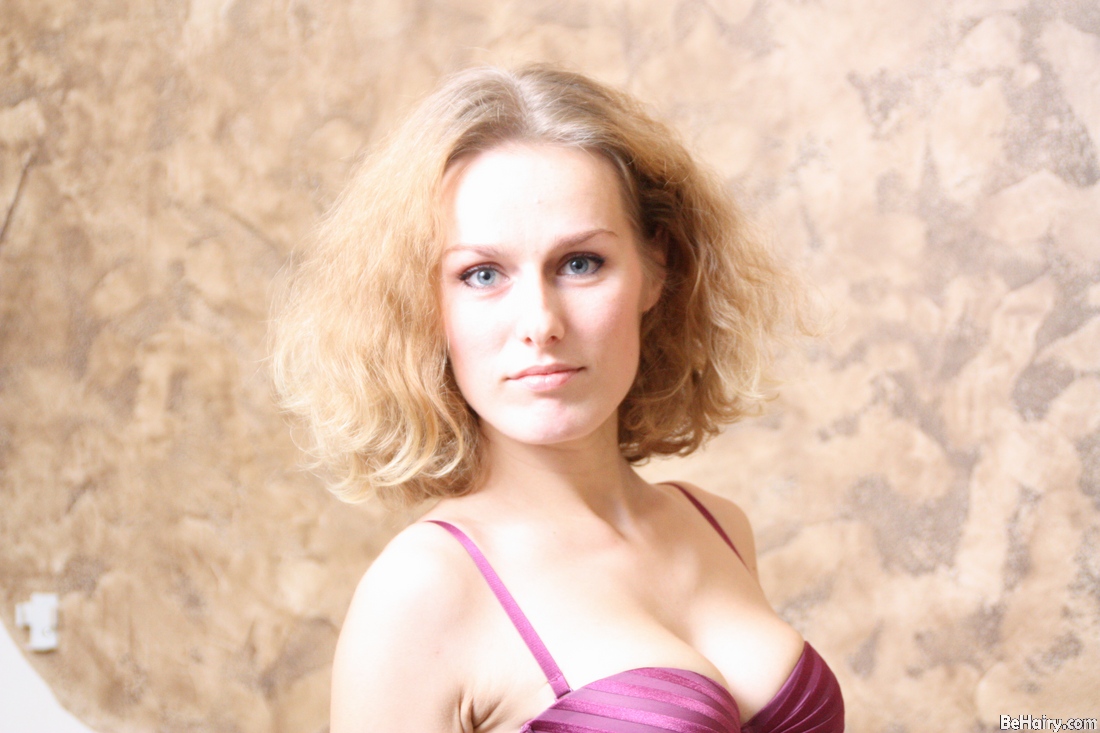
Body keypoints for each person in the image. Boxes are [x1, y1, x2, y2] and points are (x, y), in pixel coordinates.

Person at [270, 64, 844, 733]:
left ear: (656, 268)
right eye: (482, 274)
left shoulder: (717, 524)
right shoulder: (423, 589)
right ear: (423, 306)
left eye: (580, 263)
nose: (540, 323)